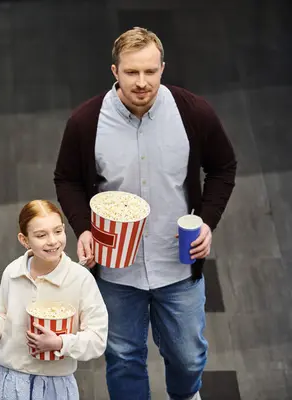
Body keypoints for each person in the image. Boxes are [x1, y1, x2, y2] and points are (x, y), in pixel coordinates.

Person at [54, 27, 237, 400]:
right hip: (116, 269)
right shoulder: (86, 123)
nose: (141, 82)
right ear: (115, 71)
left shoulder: (193, 113)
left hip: (178, 264)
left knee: (188, 358)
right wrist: (83, 229)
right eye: (132, 72)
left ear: (163, 69)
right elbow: (67, 179)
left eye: (150, 72)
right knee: (123, 358)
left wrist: (206, 221)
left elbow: (223, 167)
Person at [0, 200, 108, 400]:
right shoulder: (12, 273)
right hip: (5, 380)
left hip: (54, 386)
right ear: (24, 240)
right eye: (41, 235)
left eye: (58, 231)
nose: (53, 241)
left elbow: (98, 339)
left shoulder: (80, 279)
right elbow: (1, 324)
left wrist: (60, 343)